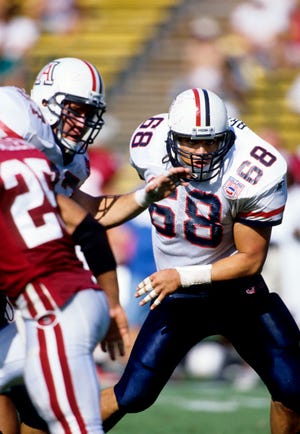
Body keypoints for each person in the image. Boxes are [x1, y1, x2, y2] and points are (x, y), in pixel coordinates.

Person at [0, 65, 189, 431]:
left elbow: (87, 217)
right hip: (41, 288)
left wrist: (145, 196)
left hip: (31, 288)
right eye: (75, 108)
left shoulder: (61, 160)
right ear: (43, 103)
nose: (82, 121)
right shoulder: (22, 139)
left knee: (33, 399)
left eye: (89, 112)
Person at [100, 88, 300, 434]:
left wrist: (181, 275)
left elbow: (250, 260)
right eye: (191, 142)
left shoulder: (254, 168)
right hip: (177, 298)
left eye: (211, 142)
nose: (201, 152)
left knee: (293, 386)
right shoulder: (147, 144)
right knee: (133, 394)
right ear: (171, 137)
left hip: (236, 292)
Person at [0, 104, 129, 432]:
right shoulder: (36, 166)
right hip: (78, 298)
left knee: (76, 429)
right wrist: (113, 305)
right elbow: (90, 230)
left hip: (51, 310)